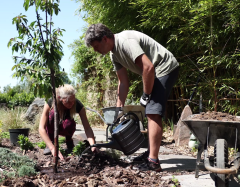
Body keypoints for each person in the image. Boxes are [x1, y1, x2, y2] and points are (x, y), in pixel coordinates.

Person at [85, 23, 179, 171]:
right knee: (150, 110)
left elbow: (148, 67)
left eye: (96, 47)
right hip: (155, 70)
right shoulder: (113, 54)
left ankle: (153, 162)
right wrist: (118, 109)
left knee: (153, 112)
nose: (96, 51)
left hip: (164, 66)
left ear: (105, 39)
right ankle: (151, 153)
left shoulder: (125, 42)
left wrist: (146, 95)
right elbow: (123, 82)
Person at [38, 84, 99, 161]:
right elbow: (41, 128)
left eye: (73, 101)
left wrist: (93, 144)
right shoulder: (51, 102)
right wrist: (52, 148)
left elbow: (87, 128)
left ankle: (69, 141)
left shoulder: (77, 105)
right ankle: (50, 142)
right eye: (68, 101)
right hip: (52, 126)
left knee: (69, 123)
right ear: (60, 98)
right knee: (51, 115)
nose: (72, 104)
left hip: (65, 127)